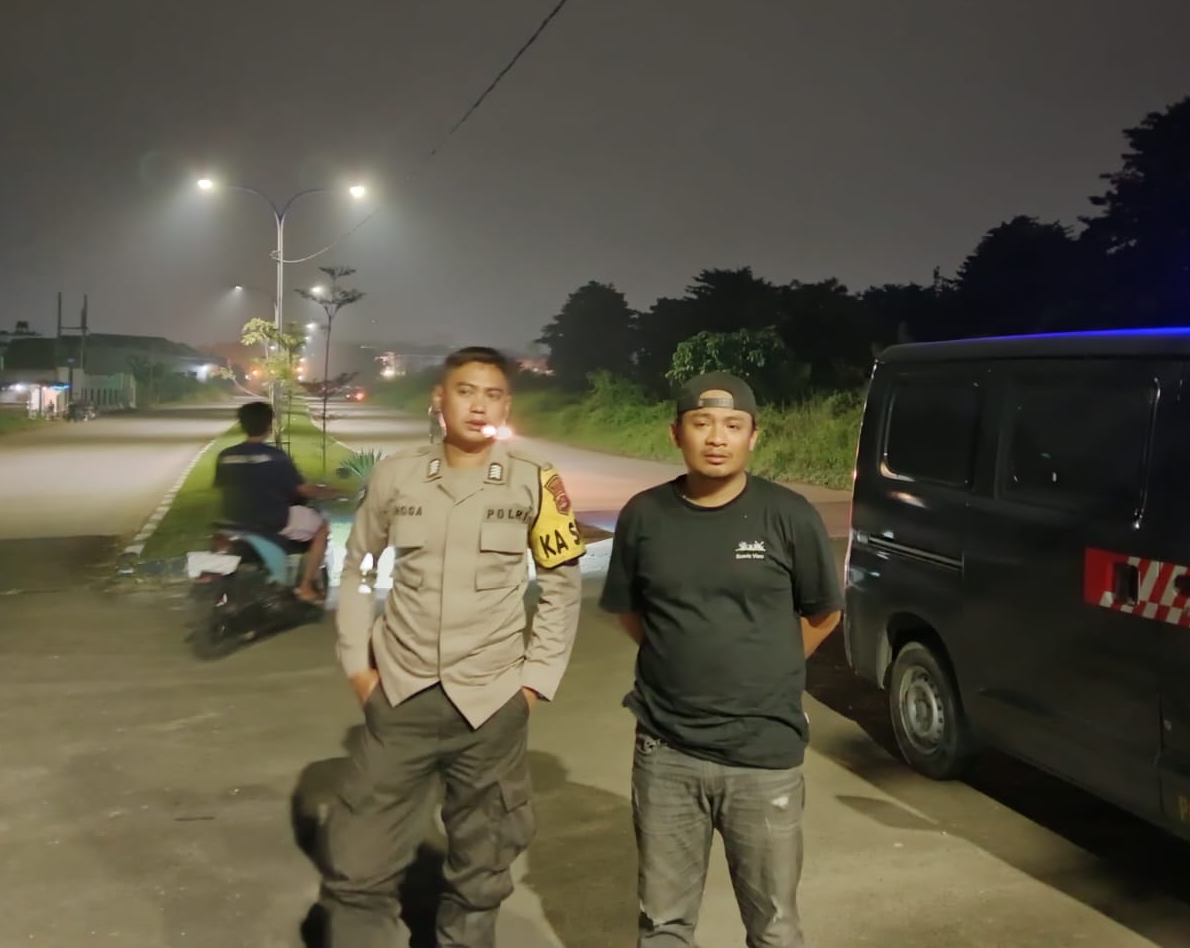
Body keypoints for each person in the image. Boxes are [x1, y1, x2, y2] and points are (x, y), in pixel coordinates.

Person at [321, 346, 586, 948]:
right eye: (466, 391)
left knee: (482, 868)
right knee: (357, 863)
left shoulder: (535, 480)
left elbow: (562, 585)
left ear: (507, 405)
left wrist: (534, 684)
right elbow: (359, 567)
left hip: (492, 703)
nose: (479, 406)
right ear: (439, 399)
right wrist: (358, 666)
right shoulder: (397, 475)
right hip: (400, 693)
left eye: (493, 395)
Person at [600, 372, 843, 948]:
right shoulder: (644, 515)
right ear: (676, 433)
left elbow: (823, 613)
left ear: (753, 436)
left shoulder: (789, 515)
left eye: (733, 425)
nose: (716, 437)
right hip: (666, 752)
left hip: (763, 753)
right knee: (663, 925)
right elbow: (630, 611)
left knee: (774, 928)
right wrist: (681, 654)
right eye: (701, 423)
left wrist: (771, 667)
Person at [213, 400, 332, 602]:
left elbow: (223, 486)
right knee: (322, 528)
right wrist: (330, 491)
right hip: (273, 519)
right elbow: (301, 489)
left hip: (234, 520)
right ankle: (306, 587)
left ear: (242, 424)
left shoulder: (225, 456)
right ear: (269, 425)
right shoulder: (276, 456)